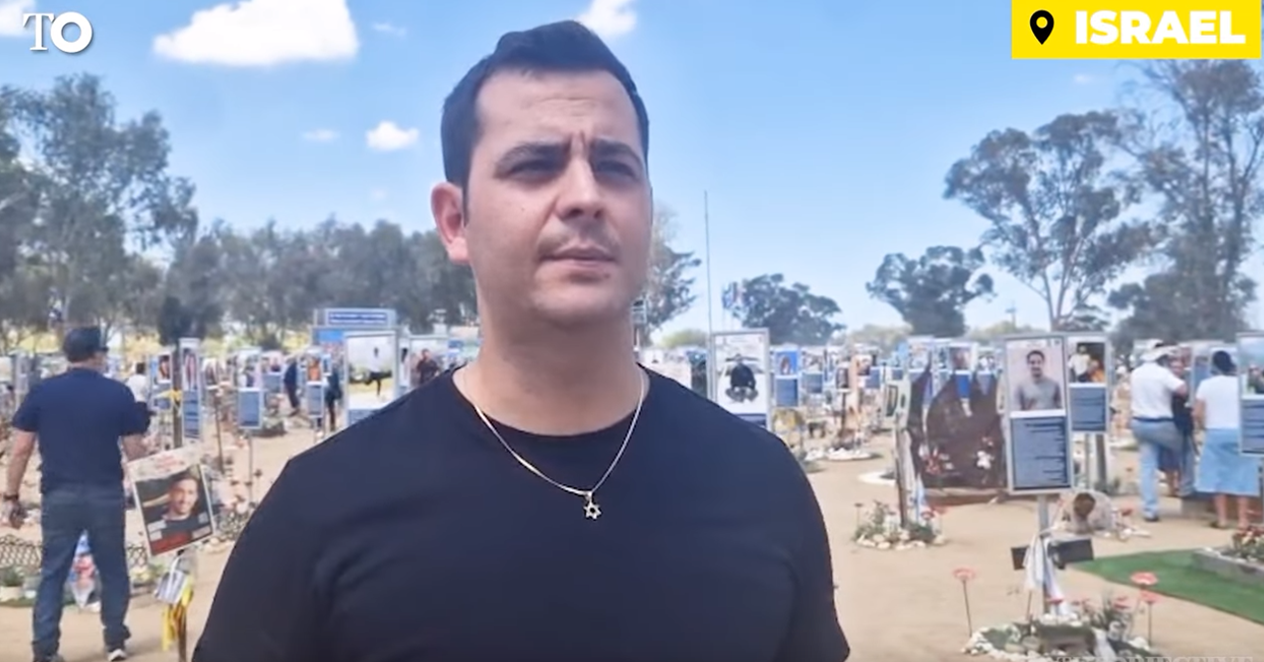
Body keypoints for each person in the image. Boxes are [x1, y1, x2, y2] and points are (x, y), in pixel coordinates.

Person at [194, 21, 847, 662]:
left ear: (647, 207)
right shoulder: (322, 507)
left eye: (614, 167)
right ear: (456, 221)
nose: (585, 196)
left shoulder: (761, 482)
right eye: (535, 166)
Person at [2, 327, 149, 662]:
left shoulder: (42, 392)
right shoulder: (118, 393)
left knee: (53, 572)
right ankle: (115, 641)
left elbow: (21, 449)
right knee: (113, 569)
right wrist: (150, 488)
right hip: (106, 495)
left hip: (59, 496)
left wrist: (11, 496)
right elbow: (134, 450)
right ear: (96, 355)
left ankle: (45, 649)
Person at [1194, 350, 1261, 529]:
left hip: (1216, 432)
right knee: (1244, 474)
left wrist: (1204, 426)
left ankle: (1222, 519)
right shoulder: (1244, 382)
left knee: (1218, 475)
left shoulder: (1206, 385)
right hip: (1242, 432)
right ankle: (1243, 520)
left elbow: (1197, 412)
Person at [1129, 345, 1191, 522]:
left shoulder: (1136, 373)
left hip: (1139, 422)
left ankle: (1150, 509)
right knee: (1187, 450)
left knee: (1147, 467)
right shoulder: (1162, 374)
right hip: (1162, 423)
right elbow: (1183, 390)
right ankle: (1188, 488)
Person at [159, 472, 204, 538]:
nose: (185, 499)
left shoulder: (202, 520)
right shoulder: (157, 526)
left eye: (190, 493)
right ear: (170, 494)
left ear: (196, 496)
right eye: (180, 492)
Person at [124, 362, 151, 434]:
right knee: (143, 423)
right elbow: (148, 392)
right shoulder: (145, 379)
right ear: (144, 370)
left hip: (131, 403)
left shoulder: (130, 379)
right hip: (141, 402)